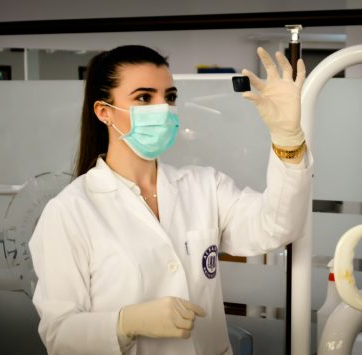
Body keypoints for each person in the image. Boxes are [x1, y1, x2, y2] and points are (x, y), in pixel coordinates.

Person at [29, 44, 313, 355]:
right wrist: (125, 323)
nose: (163, 108)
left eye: (170, 96)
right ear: (104, 112)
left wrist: (287, 138)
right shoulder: (69, 212)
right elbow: (59, 335)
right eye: (143, 97)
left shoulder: (204, 186)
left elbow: (277, 227)